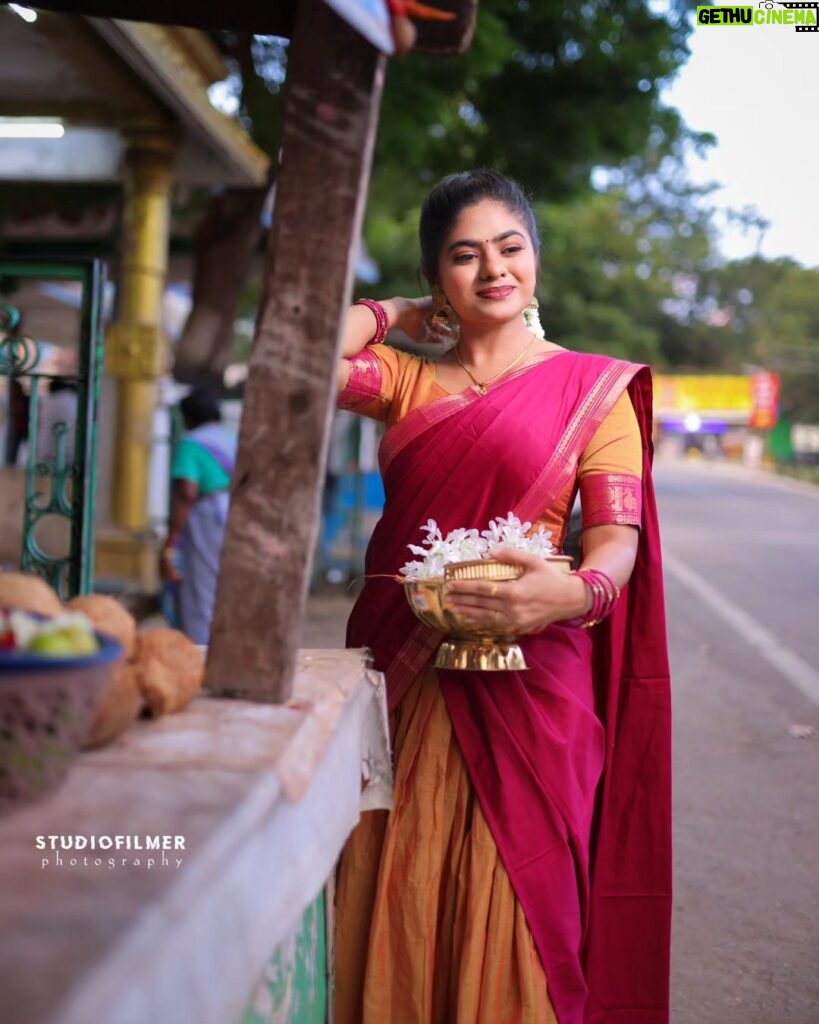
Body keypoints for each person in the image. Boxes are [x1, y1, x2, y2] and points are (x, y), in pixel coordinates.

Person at [333, 170, 671, 1024]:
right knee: (394, 878)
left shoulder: (594, 391)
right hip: (407, 681)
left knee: (522, 899)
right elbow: (296, 355)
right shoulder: (409, 381)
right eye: (463, 256)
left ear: (536, 258)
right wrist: (394, 316)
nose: (493, 269)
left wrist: (572, 594)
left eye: (510, 247)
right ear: (436, 275)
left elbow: (613, 541)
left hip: (532, 678)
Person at [160, 389, 237, 645]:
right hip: (236, 513)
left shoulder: (191, 442)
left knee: (201, 589)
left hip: (208, 516)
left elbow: (187, 491)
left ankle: (201, 654)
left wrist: (171, 539)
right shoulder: (232, 439)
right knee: (228, 586)